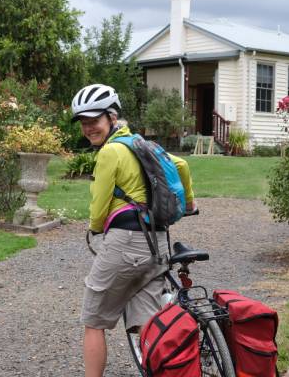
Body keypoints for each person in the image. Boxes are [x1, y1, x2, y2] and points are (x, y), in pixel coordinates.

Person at [72, 83, 195, 377]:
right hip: (157, 245)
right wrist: (188, 202)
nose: (89, 128)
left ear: (112, 117)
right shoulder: (142, 143)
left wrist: (94, 228)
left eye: (95, 120)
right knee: (147, 323)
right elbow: (182, 165)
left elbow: (99, 205)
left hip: (124, 244)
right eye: (84, 123)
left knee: (94, 320)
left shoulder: (110, 152)